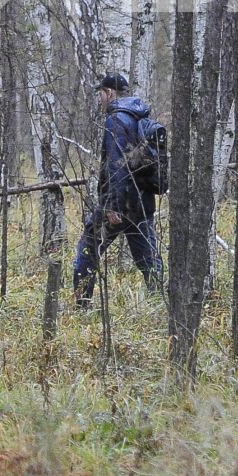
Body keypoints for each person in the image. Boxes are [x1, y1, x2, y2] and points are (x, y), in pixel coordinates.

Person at [74, 72, 162, 307]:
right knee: (149, 259)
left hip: (120, 205)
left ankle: (81, 306)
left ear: (110, 93)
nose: (100, 99)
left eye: (101, 94)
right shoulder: (140, 116)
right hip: (143, 202)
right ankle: (160, 304)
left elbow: (116, 165)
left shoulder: (117, 119)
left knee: (88, 249)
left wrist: (113, 206)